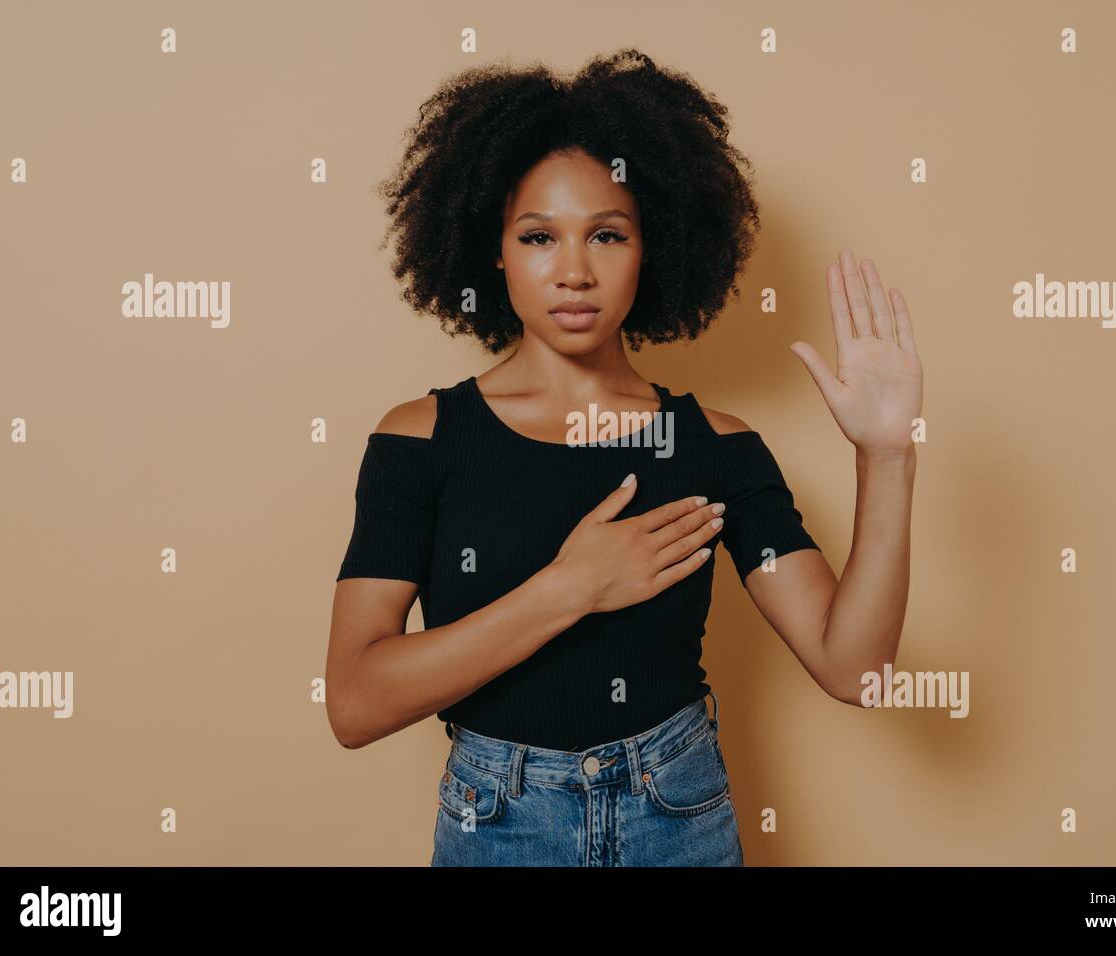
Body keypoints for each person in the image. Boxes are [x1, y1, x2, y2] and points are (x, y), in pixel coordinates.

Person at [325, 49, 922, 866]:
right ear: (493, 248)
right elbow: (354, 705)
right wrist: (569, 589)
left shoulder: (719, 445)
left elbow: (857, 673)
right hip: (499, 824)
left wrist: (888, 454)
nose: (574, 271)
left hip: (677, 816)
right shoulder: (420, 439)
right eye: (539, 236)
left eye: (608, 234)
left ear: (657, 245)